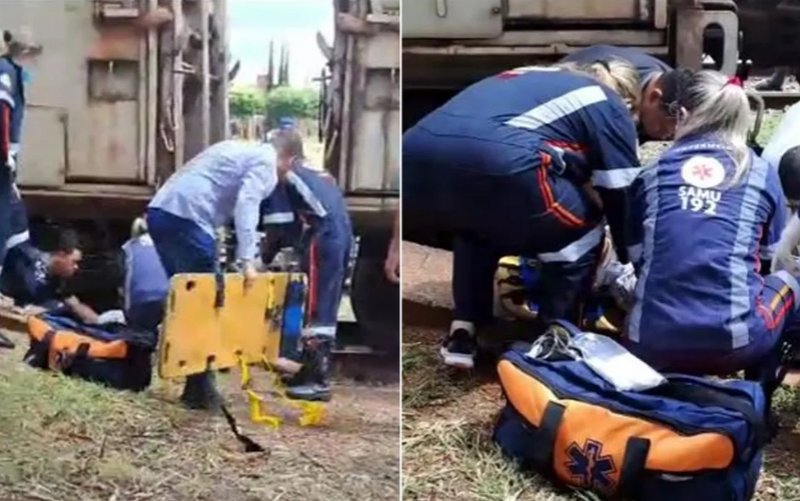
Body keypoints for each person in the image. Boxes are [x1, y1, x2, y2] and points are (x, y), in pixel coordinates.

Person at [403, 60, 643, 370]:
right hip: (499, 161)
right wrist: (633, 256)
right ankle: (556, 339)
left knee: (476, 227)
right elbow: (620, 191)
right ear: (628, 101)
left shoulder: (526, 78)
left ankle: (464, 331)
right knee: (580, 233)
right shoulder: (606, 103)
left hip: (413, 164)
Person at [624, 70, 796, 375]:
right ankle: (759, 394)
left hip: (649, 342)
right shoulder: (758, 172)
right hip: (734, 346)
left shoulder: (652, 172)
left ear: (683, 115)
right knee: (789, 282)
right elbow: (771, 257)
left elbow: (638, 257)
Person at [147, 140, 279, 410]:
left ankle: (193, 382)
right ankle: (200, 390)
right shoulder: (267, 161)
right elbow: (247, 203)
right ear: (289, 160)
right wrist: (247, 260)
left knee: (187, 303)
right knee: (205, 303)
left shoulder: (237, 148)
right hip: (188, 218)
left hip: (161, 211)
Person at [260, 128, 352, 402]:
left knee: (316, 307)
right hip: (342, 233)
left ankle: (317, 379)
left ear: (284, 156)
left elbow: (279, 230)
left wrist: (260, 261)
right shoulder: (316, 172)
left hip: (323, 236)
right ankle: (309, 370)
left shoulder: (283, 177)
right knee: (325, 302)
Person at [561, 45, 681, 141]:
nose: (670, 135)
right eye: (664, 128)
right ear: (654, 97)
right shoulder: (610, 85)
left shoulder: (670, 80)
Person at [0, 30, 41, 277]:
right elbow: (2, 113)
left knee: (12, 220)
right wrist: (5, 155)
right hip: (1, 163)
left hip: (5, 164)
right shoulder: (5, 71)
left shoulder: (10, 72)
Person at [0, 228, 99, 323]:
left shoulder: (58, 279)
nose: (76, 267)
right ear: (61, 255)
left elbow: (71, 302)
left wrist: (99, 320)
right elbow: (23, 302)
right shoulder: (26, 261)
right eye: (74, 262)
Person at [119, 216, 169, 333]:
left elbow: (122, 281)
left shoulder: (128, 247)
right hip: (169, 298)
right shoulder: (172, 244)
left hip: (140, 303)